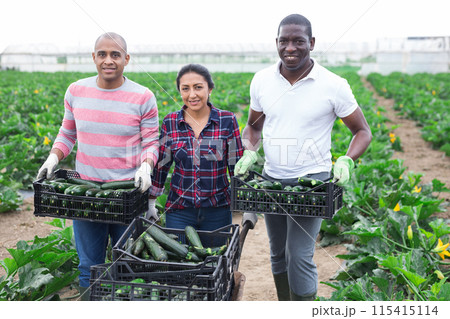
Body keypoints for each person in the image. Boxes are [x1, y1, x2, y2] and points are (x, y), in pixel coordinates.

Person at [236, 14, 372, 301]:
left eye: (298, 41)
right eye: (284, 41)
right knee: (277, 252)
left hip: (313, 184)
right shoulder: (262, 80)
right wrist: (249, 150)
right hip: (272, 180)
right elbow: (253, 126)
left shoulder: (333, 84)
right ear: (276, 43)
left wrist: (347, 159)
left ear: (311, 43)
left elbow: (362, 131)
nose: (290, 48)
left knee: (298, 255)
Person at [36, 32, 159, 300]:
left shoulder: (143, 97)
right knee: (88, 267)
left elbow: (151, 142)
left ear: (126, 59)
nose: (108, 60)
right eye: (102, 54)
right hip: (87, 195)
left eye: (115, 55)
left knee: (127, 265)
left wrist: (146, 167)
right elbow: (67, 134)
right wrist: (53, 157)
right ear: (94, 57)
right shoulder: (76, 91)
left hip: (127, 195)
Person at [148, 64, 244, 238]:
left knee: (215, 263)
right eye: (185, 89)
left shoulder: (227, 120)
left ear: (210, 89)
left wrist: (247, 204)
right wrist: (151, 203)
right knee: (180, 264)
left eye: (198, 87)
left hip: (218, 211)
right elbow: (162, 166)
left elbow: (236, 167)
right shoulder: (171, 122)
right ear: (180, 92)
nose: (192, 94)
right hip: (179, 211)